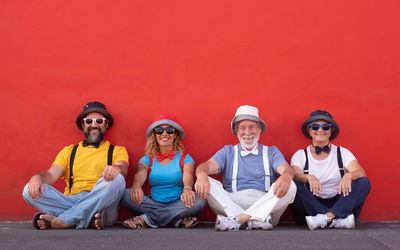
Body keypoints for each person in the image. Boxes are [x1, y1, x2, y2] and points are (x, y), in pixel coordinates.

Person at [22, 101, 129, 230]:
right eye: (89, 121)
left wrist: (116, 168)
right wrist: (37, 177)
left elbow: (123, 168)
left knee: (118, 179)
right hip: (72, 201)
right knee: (28, 190)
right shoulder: (69, 151)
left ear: (106, 124)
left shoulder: (117, 150)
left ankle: (62, 221)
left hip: (103, 204)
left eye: (99, 121)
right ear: (83, 124)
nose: (94, 125)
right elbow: (51, 174)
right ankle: (85, 220)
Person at [195, 105, 296, 231]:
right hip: (233, 202)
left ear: (259, 130)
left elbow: (287, 169)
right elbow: (205, 166)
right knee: (203, 180)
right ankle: (257, 220)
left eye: (252, 127)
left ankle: (238, 220)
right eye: (242, 128)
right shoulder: (228, 151)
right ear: (237, 132)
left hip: (265, 201)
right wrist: (202, 175)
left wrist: (286, 176)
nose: (247, 133)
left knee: (291, 184)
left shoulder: (271, 152)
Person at [121, 114, 206, 229]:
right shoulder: (147, 159)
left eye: (169, 131)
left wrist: (187, 189)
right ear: (155, 135)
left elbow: (188, 175)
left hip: (179, 202)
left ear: (175, 135)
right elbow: (140, 173)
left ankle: (146, 219)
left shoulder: (185, 158)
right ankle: (176, 220)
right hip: (151, 203)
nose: (164, 134)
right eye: (159, 131)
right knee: (125, 194)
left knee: (201, 199)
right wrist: (136, 185)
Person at [291, 110, 371, 230]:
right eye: (315, 126)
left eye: (326, 127)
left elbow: (360, 172)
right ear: (309, 130)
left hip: (339, 202)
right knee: (293, 184)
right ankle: (337, 220)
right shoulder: (300, 154)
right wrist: (308, 177)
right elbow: (295, 175)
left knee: (364, 182)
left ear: (331, 130)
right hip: (312, 206)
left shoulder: (342, 152)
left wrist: (349, 176)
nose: (320, 130)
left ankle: (326, 218)